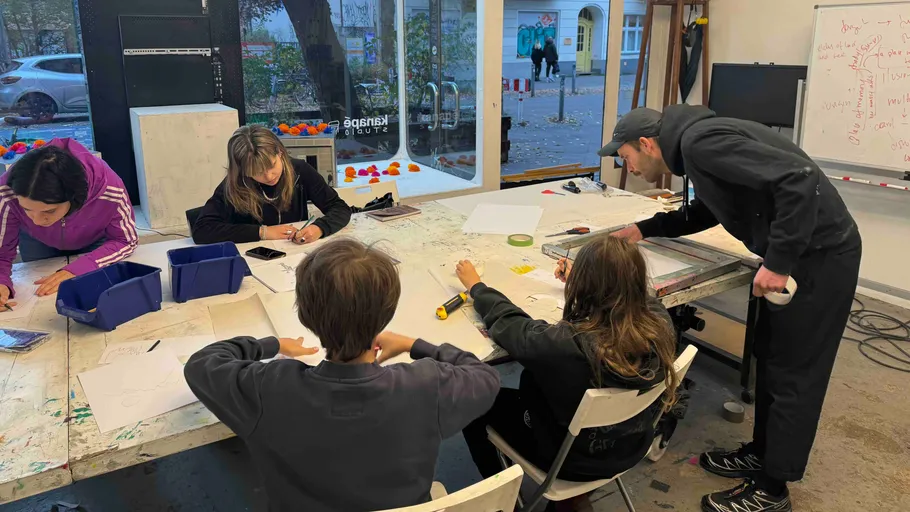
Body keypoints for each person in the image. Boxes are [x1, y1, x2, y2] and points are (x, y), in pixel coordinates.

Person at [601, 105, 862, 512]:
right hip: (803, 256)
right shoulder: (697, 148)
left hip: (821, 257)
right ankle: (763, 457)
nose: (627, 166)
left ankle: (773, 491)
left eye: (626, 156)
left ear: (647, 144)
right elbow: (709, 209)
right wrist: (645, 228)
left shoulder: (701, 142)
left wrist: (779, 261)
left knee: (795, 374)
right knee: (771, 360)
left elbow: (800, 178)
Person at [184, 239, 500, 512]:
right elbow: (484, 377)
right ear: (387, 313)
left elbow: (202, 363)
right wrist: (415, 345)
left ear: (306, 315)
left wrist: (272, 344)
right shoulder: (426, 386)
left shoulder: (270, 387)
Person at [458, 236, 679, 512]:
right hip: (628, 446)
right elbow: (642, 298)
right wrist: (595, 282)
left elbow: (513, 326)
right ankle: (572, 502)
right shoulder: (660, 325)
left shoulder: (567, 345)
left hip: (568, 460)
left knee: (471, 402)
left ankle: (505, 504)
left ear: (585, 286)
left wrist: (477, 287)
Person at [0, 139, 138, 302]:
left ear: (75, 197)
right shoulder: (6, 192)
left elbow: (125, 240)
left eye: (49, 211)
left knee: (90, 295)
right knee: (41, 298)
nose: (37, 221)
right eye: (26, 209)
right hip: (36, 241)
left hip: (95, 241)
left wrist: (81, 268)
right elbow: (1, 253)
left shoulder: (109, 188)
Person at [193, 125, 351, 245]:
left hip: (295, 254)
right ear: (242, 170)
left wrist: (320, 228)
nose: (269, 176)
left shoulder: (300, 171)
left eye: (271, 166)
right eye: (257, 172)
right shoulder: (235, 183)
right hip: (254, 261)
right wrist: (262, 232)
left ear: (280, 153)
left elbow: (339, 208)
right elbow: (202, 230)